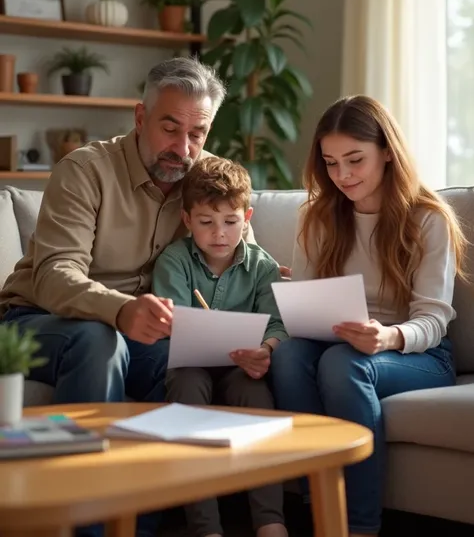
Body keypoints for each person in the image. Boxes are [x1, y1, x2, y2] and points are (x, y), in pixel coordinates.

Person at [0, 57, 228, 537]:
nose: (182, 148)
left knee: (186, 365)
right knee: (99, 341)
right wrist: (120, 310)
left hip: (139, 331)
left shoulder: (206, 178)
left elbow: (236, 249)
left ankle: (137, 525)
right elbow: (55, 275)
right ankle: (85, 527)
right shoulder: (85, 170)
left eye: (197, 134)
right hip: (36, 321)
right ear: (140, 117)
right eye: (170, 128)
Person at [269, 95, 467, 537]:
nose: (342, 175)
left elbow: (433, 321)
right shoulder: (318, 216)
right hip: (338, 342)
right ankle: (313, 504)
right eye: (331, 162)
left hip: (418, 353)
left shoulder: (429, 218)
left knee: (342, 364)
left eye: (355, 160)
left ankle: (358, 526)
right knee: (289, 357)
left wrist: (388, 336)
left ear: (386, 152)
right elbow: (305, 301)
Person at [153, 157, 288, 537]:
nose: (219, 234)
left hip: (241, 366)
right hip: (190, 364)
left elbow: (278, 322)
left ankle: (270, 520)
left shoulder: (263, 267)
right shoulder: (175, 261)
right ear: (187, 219)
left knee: (257, 396)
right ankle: (205, 526)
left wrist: (267, 349)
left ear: (247, 217)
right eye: (206, 222)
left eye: (230, 222)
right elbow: (172, 322)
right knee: (185, 392)